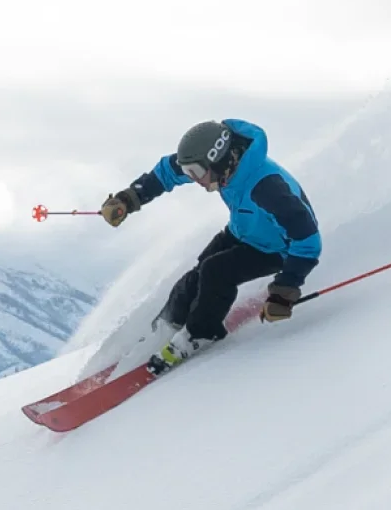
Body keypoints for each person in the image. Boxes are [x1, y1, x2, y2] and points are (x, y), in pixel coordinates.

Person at [100, 119, 321, 370]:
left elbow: (308, 240)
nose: (194, 179)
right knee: (195, 277)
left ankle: (201, 334)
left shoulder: (267, 188)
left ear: (220, 161)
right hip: (244, 232)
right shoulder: (225, 168)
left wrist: (285, 291)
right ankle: (165, 328)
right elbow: (167, 172)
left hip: (278, 248)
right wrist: (129, 199)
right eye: (189, 172)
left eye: (196, 172)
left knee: (216, 272)